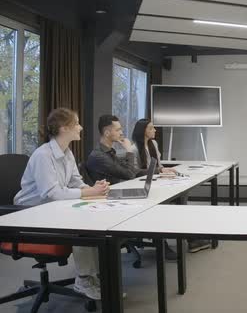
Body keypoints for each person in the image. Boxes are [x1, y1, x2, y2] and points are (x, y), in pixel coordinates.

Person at [14, 108, 109, 300]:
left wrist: (91, 189)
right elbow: (51, 193)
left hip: (50, 208)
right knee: (81, 225)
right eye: (77, 124)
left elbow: (75, 181)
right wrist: (87, 193)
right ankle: (84, 280)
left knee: (94, 219)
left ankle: (95, 277)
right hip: (29, 214)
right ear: (64, 128)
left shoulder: (66, 153)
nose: (81, 127)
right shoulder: (43, 155)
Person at [129, 119, 210, 257]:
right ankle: (176, 241)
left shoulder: (153, 144)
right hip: (143, 187)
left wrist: (164, 170)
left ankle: (191, 238)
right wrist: (159, 172)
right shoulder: (134, 149)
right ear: (143, 131)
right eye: (151, 128)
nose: (155, 130)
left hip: (157, 182)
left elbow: (158, 165)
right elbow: (135, 172)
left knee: (182, 196)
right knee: (171, 206)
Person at [86, 115, 140, 184]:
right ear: (107, 133)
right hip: (108, 193)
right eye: (118, 130)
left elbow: (130, 170)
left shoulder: (109, 151)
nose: (121, 133)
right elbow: (129, 175)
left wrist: (154, 171)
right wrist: (129, 150)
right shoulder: (99, 156)